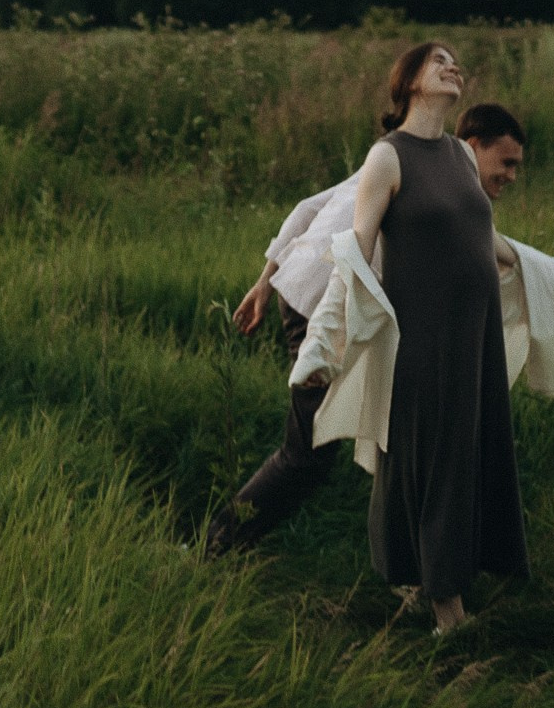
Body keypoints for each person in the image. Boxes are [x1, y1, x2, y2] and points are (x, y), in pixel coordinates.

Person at [204, 98, 531, 559]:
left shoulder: (426, 168)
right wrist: (265, 282)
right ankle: (212, 548)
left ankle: (413, 560)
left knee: (397, 436)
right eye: (507, 163)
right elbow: (317, 210)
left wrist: (265, 282)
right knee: (306, 458)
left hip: (323, 300)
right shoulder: (416, 163)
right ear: (473, 146)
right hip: (317, 307)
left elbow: (308, 206)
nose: (511, 177)